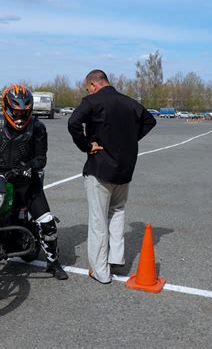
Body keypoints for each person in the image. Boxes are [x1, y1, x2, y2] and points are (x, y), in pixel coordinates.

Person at [0, 84, 68, 280]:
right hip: (1, 177)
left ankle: (53, 262)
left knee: (47, 223)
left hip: (27, 180)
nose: (19, 118)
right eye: (15, 112)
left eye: (24, 113)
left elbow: (41, 159)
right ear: (6, 108)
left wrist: (28, 167)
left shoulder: (38, 127)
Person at [68, 70, 156, 284]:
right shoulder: (130, 103)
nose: (88, 90)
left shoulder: (92, 101)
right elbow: (149, 121)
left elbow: (73, 123)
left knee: (98, 219)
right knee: (117, 212)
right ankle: (116, 258)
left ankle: (101, 271)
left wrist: (87, 146)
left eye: (88, 87)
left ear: (93, 84)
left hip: (100, 168)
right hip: (124, 168)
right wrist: (129, 140)